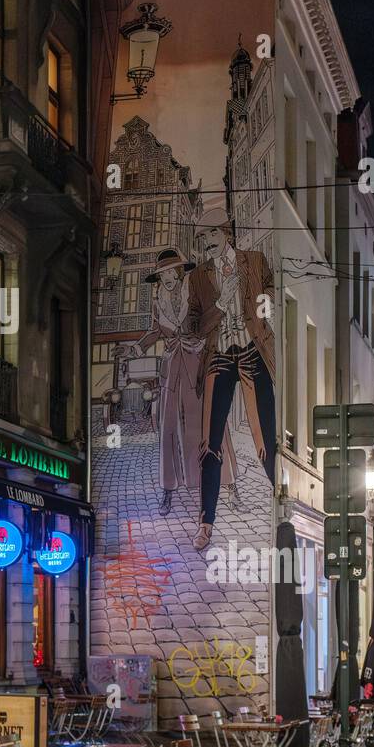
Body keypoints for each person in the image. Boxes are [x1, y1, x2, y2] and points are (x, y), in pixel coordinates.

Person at [186, 207, 276, 551]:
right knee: (210, 441)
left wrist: (258, 312)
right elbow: (194, 325)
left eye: (211, 234)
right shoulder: (197, 277)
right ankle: (206, 522)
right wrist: (222, 305)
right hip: (219, 357)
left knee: (264, 434)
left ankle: (279, 504)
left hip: (252, 351)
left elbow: (270, 300)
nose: (206, 242)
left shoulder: (254, 260)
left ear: (225, 232)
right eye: (202, 237)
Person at [134, 247, 239, 516]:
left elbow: (207, 321)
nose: (167, 277)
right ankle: (168, 490)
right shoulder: (159, 303)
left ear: (179, 272)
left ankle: (229, 486)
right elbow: (156, 330)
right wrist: (136, 348)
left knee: (210, 421)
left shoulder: (194, 293)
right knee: (169, 425)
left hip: (196, 364)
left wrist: (222, 304)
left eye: (170, 271)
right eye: (162, 274)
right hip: (172, 368)